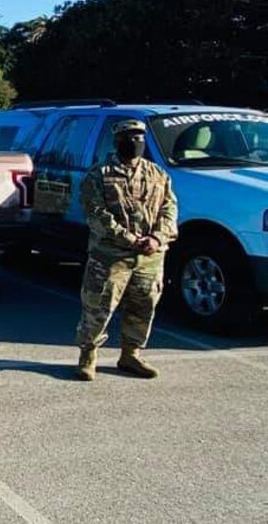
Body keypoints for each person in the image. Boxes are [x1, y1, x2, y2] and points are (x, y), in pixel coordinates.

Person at [76, 120, 178, 381]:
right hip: (111, 255)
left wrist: (156, 237)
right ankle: (88, 355)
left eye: (140, 137)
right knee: (98, 306)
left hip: (150, 255)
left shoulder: (158, 174)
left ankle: (131, 354)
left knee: (144, 305)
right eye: (129, 137)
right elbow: (97, 215)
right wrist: (130, 239)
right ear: (117, 140)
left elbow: (169, 209)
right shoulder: (99, 175)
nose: (136, 142)